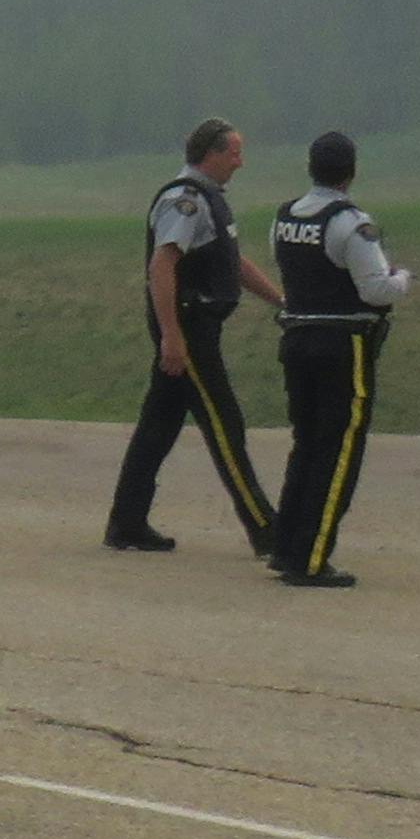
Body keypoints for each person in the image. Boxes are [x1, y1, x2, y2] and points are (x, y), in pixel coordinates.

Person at [103, 117, 278, 554]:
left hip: (196, 327)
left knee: (157, 428)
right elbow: (162, 267)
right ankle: (267, 530)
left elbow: (234, 264)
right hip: (189, 330)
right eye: (234, 152)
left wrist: (281, 301)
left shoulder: (210, 201)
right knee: (225, 425)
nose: (241, 162)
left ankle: (127, 523)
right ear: (212, 154)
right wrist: (172, 337)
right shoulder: (185, 202)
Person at [264, 131, 413, 588]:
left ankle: (286, 547)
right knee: (340, 450)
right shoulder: (352, 223)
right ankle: (311, 558)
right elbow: (375, 290)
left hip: (296, 339)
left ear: (311, 167)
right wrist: (403, 278)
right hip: (342, 345)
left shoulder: (284, 217)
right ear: (351, 172)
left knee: (306, 444)